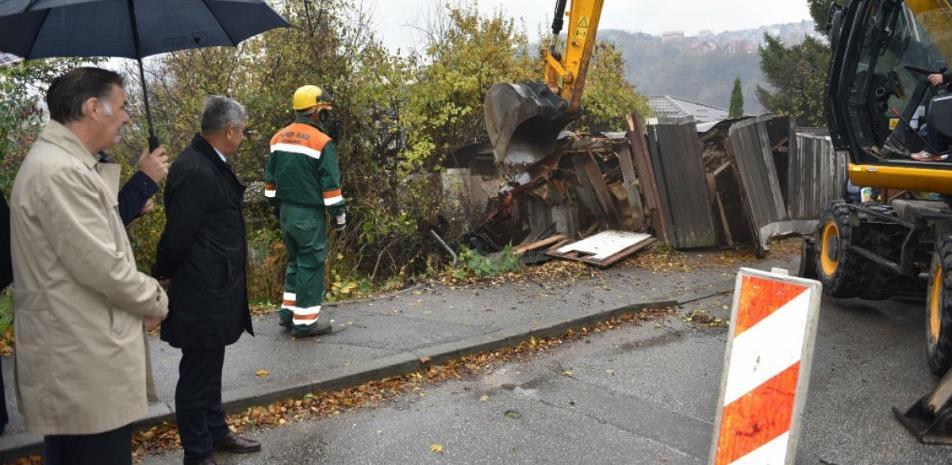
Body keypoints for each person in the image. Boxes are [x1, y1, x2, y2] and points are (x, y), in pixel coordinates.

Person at [9, 67, 169, 465]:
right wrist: (156, 300)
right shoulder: (60, 172)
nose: (128, 117)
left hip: (78, 355)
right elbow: (105, 268)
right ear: (93, 108)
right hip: (83, 360)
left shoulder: (66, 165)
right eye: (123, 106)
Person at [152, 96, 257, 465]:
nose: (244, 137)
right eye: (243, 131)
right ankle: (197, 453)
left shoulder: (210, 163)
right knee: (197, 374)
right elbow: (178, 234)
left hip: (217, 286)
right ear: (229, 131)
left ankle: (216, 431)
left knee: (210, 366)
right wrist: (161, 273)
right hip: (203, 290)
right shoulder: (195, 169)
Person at [265, 85, 346, 338]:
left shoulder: (278, 138)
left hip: (287, 213)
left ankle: (288, 313)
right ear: (316, 112)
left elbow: (269, 183)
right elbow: (331, 187)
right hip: (309, 215)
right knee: (311, 265)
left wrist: (278, 205)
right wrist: (339, 216)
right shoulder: (322, 142)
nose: (327, 116)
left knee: (295, 262)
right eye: (325, 111)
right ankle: (305, 322)